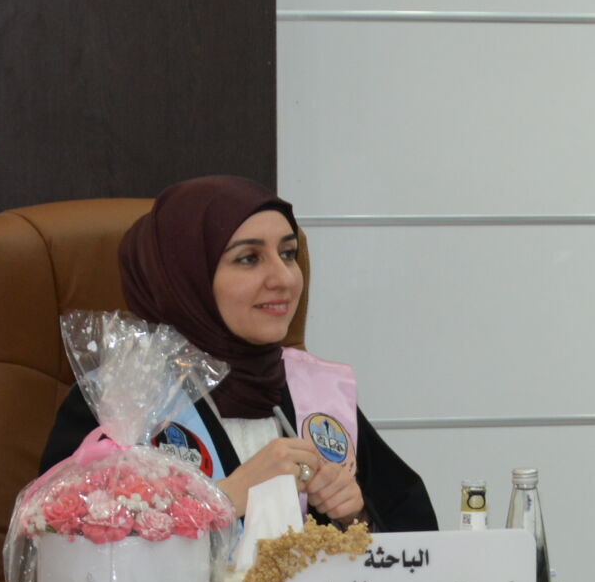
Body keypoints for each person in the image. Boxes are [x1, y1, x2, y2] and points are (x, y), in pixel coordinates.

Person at [38, 176, 438, 530]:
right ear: (184, 277)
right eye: (249, 259)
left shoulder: (314, 392)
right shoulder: (123, 402)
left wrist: (355, 516)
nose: (283, 278)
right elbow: (67, 550)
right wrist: (224, 500)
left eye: (288, 254)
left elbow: (415, 542)